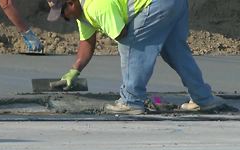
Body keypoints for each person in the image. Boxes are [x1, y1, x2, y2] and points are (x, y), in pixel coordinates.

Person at [47, 0, 223, 114]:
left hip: (156, 4)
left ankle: (130, 100)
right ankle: (203, 98)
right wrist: (74, 70)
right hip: (175, 4)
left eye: (63, 14)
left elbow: (122, 34)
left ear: (70, 3)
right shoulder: (83, 12)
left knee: (130, 44)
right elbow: (87, 42)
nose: (65, 19)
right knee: (175, 51)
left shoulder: (96, 6)